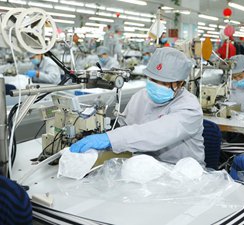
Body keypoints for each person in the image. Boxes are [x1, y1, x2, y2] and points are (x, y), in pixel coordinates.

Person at [70, 47, 205, 165]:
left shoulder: (190, 108)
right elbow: (124, 126)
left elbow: (156, 134)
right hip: (144, 167)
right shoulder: (141, 97)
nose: (156, 85)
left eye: (164, 83)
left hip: (183, 173)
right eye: (153, 79)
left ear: (180, 83)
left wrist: (109, 139)